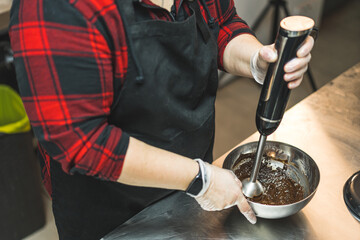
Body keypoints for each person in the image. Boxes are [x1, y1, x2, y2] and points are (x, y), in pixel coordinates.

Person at [9, 0, 314, 239]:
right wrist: (200, 180)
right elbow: (81, 142)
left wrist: (255, 59)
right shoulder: (59, 8)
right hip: (105, 204)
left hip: (193, 170)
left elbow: (221, 24)